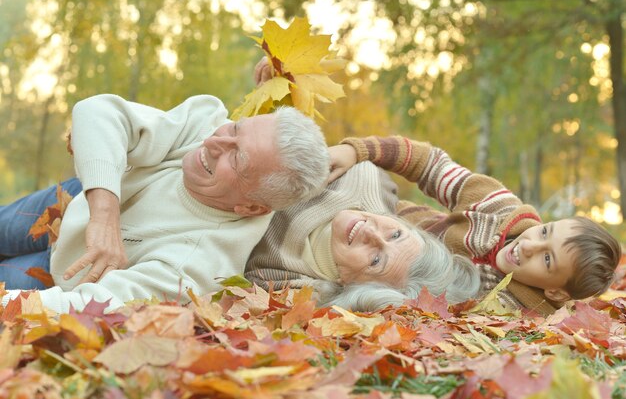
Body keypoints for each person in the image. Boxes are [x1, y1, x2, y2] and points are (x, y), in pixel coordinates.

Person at [0, 93, 330, 313]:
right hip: (76, 201)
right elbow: (96, 112)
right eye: (236, 129)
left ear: (252, 208)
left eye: (237, 157)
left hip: (63, 277)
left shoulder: (197, 264)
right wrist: (104, 212)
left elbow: (90, 307)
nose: (215, 141)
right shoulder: (205, 121)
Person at [327, 135, 621, 315]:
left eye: (546, 259)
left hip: (366, 270)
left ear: (556, 293)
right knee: (352, 179)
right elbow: (430, 164)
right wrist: (358, 150)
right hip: (386, 215)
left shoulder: (519, 313)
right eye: (545, 231)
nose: (528, 246)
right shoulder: (495, 206)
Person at [244, 159, 481, 312]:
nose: (371, 233)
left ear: (353, 288)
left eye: (376, 260)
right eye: (396, 234)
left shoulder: (286, 284)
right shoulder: (364, 178)